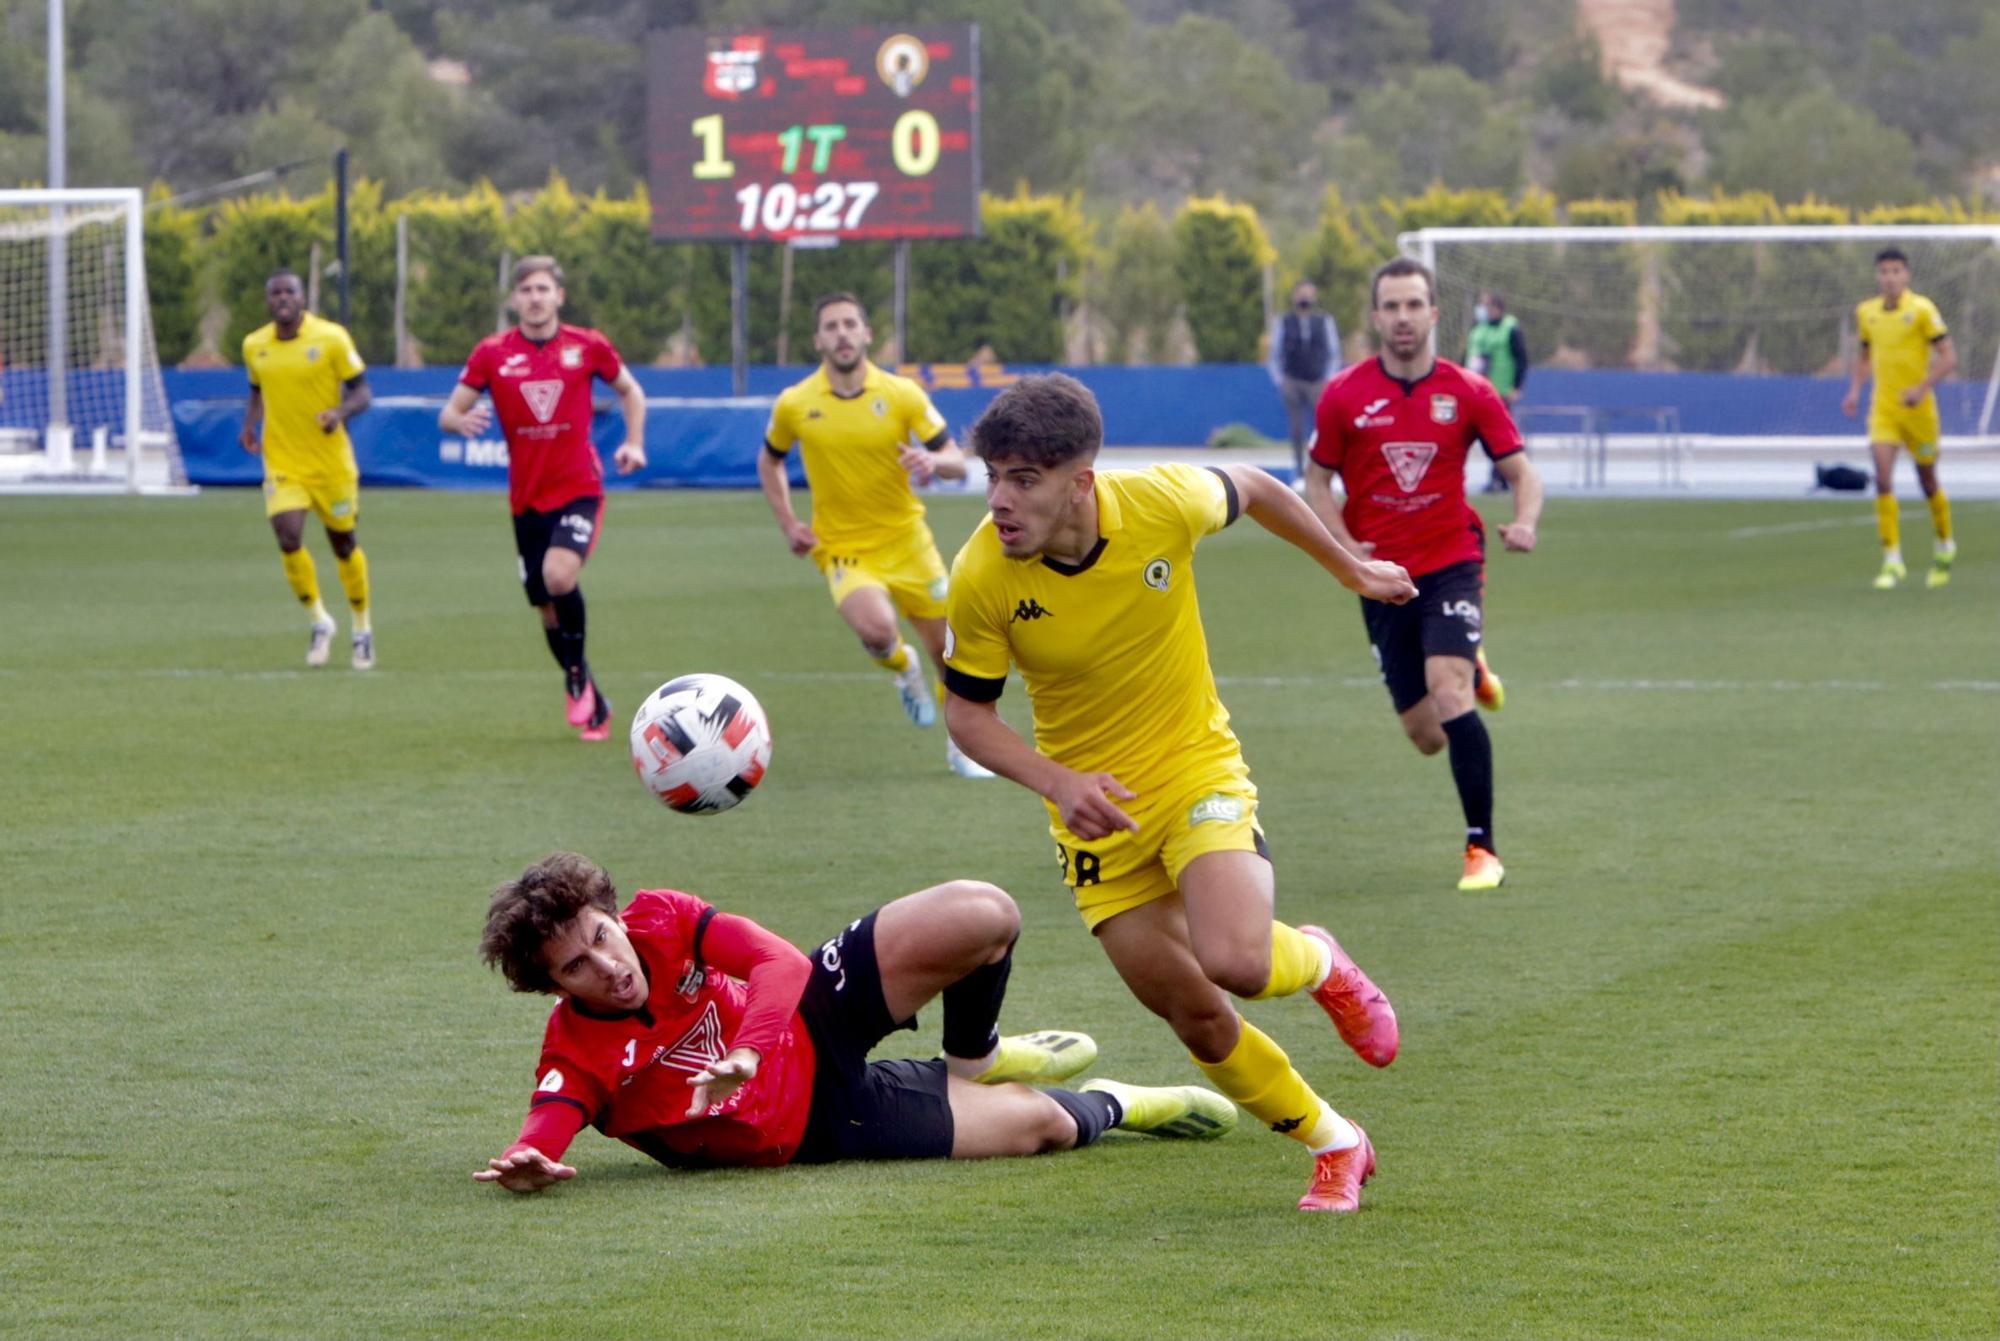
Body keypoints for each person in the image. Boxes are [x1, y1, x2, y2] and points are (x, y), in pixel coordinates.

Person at [940, 373, 1419, 1214]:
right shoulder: (982, 572)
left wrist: (1348, 567)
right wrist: (1059, 782)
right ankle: (1335, 1141)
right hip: (1094, 816)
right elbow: (968, 716)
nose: (1000, 501)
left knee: (1236, 957)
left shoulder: (1161, 501)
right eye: (992, 477)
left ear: (1080, 480)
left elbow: (1262, 487)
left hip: (1195, 768)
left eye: (1024, 479)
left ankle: (1322, 960)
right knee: (1195, 1016)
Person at [473, 852, 1235, 1192]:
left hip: (813, 1018)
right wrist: (527, 1160)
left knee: (985, 911)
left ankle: (973, 1057)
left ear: (611, 912)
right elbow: (549, 1121)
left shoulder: (663, 918)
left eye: (601, 935)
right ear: (552, 985)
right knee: (1046, 1127)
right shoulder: (575, 1051)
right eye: (575, 965)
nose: (605, 963)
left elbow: (781, 964)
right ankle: (1121, 1101)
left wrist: (746, 1052)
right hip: (825, 1126)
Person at [1304, 258, 1544, 894]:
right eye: (1392, 306)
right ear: (1376, 316)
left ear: (1434, 314)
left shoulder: (1468, 391)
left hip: (1450, 562)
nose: (1403, 318)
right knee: (1427, 736)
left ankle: (1482, 849)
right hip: (1379, 577)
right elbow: (1316, 479)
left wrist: (1526, 520)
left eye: (1415, 305)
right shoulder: (1342, 396)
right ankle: (1473, 662)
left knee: (1449, 692)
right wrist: (1346, 548)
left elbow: (1522, 472)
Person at [758, 292, 992, 778]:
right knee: (877, 630)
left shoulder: (903, 395)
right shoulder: (796, 404)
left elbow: (956, 460)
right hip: (843, 548)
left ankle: (962, 746)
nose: (841, 333)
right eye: (831, 326)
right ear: (818, 340)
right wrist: (788, 523)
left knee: (949, 652)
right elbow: (770, 460)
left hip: (909, 542)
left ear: (866, 334)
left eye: (850, 324)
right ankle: (902, 668)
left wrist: (933, 461)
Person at [438, 257, 648, 740]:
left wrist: (634, 442)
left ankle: (574, 676)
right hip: (525, 501)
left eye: (543, 289)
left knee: (559, 575)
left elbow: (632, 392)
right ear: (515, 300)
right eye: (527, 290)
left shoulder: (587, 345)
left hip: (579, 489)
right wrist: (459, 421)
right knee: (547, 607)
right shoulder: (492, 354)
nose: (535, 297)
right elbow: (449, 413)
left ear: (559, 296)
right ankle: (593, 697)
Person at [239, 270, 374, 668]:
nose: (282, 298)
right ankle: (319, 620)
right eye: (275, 292)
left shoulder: (331, 338)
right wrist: (249, 425)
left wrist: (340, 411)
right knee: (287, 534)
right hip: (283, 462)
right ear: (268, 300)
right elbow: (257, 389)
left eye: (289, 291)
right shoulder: (254, 345)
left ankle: (362, 627)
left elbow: (363, 392)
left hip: (331, 464)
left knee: (343, 544)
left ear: (303, 297)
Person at [1841, 247, 1959, 590]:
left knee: (1928, 482)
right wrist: (1854, 390)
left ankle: (1944, 545)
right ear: (1877, 276)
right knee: (1882, 477)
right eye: (1884, 272)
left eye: (1895, 271)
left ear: (1906, 276)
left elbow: (1949, 358)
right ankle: (1892, 560)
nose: (1889, 278)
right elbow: (1864, 355)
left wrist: (1921, 388)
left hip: (1919, 412)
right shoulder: (1867, 313)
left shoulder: (1922, 310)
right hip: (1884, 410)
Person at [1266, 280, 1341, 484]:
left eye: (1308, 293)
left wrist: (1328, 380)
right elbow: (1274, 353)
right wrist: (1281, 381)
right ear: (1294, 296)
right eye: (1301, 293)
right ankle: (1300, 471)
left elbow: (1333, 352)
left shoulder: (1324, 321)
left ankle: (1323, 472)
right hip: (1293, 381)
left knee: (1323, 428)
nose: (1305, 298)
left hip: (1317, 382)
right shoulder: (1284, 321)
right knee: (1296, 429)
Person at [1464, 291, 1529, 494]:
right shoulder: (1478, 329)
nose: (1482, 309)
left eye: (1486, 305)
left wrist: (1516, 387)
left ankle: (1500, 478)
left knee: (1498, 438)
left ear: (1497, 308)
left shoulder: (1510, 328)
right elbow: (1466, 356)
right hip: (1472, 391)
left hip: (1499, 392)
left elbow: (1521, 358)